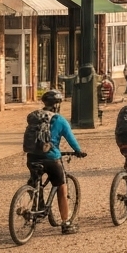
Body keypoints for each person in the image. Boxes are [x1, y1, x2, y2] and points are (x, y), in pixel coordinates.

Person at [26, 90, 87, 234]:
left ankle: (37, 206)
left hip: (32, 157)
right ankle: (66, 223)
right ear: (57, 105)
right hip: (51, 158)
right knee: (61, 187)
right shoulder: (59, 120)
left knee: (35, 181)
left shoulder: (34, 117)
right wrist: (78, 151)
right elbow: (70, 138)